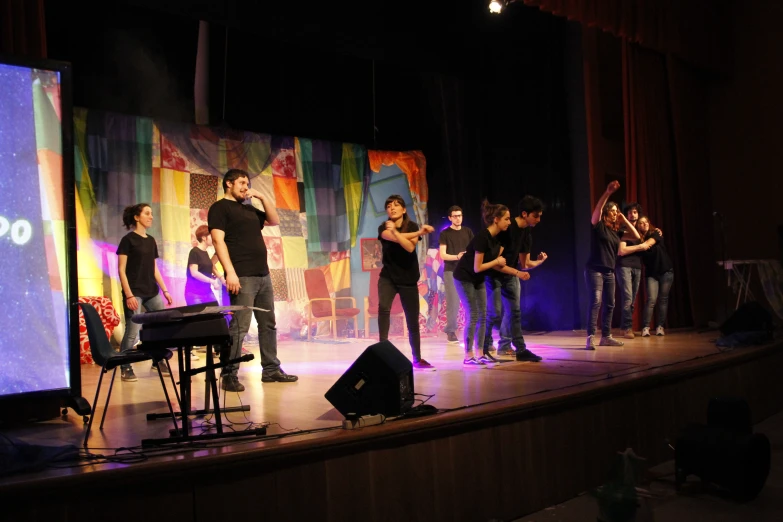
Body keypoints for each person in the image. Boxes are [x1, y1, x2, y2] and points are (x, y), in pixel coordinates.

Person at [209, 169, 298, 392]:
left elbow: (274, 219)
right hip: (242, 276)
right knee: (239, 327)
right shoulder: (220, 208)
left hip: (263, 275)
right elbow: (218, 241)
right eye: (241, 182)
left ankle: (271, 370)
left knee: (268, 324)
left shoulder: (249, 208)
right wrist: (230, 272)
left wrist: (262, 197)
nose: (245, 187)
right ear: (228, 183)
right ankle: (229, 374)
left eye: (247, 183)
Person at [484, 196, 547, 362]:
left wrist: (539, 262)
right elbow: (495, 262)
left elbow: (524, 263)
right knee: (494, 312)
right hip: (494, 274)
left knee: (515, 312)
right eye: (536, 216)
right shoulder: (507, 228)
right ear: (525, 214)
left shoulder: (527, 233)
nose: (538, 220)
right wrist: (518, 273)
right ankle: (483, 345)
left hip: (511, 275)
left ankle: (517, 349)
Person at [584, 181, 645, 350]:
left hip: (609, 272)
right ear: (605, 214)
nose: (615, 214)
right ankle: (590, 336)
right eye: (612, 211)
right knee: (596, 301)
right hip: (594, 269)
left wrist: (623, 217)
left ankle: (606, 336)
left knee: (610, 303)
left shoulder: (616, 232)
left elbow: (636, 236)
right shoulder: (598, 227)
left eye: (616, 211)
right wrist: (608, 192)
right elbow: (597, 210)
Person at [377, 194, 435, 370]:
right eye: (388, 206)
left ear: (403, 209)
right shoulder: (383, 227)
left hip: (408, 279)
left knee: (412, 319)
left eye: (396, 205)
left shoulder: (412, 225)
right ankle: (382, 353)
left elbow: (410, 247)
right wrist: (417, 234)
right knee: (384, 308)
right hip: (388, 277)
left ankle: (417, 359)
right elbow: (392, 237)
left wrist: (403, 232)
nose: (392, 208)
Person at [116, 203, 173, 382]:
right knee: (132, 331)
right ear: (137, 217)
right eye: (147, 213)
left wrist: (165, 290)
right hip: (135, 292)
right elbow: (121, 270)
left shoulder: (151, 240)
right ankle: (125, 366)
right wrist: (129, 295)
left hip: (152, 291)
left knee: (161, 327)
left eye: (152, 214)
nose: (151, 217)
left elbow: (154, 268)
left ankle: (157, 360)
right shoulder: (128, 240)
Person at [453, 200, 511, 366]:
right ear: (496, 220)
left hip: (478, 279)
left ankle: (480, 353)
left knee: (483, 316)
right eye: (506, 219)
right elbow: (477, 267)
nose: (509, 222)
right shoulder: (482, 237)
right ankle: (468, 355)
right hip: (464, 277)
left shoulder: (496, 238)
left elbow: (493, 262)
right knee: (473, 315)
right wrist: (497, 261)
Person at [438, 206, 474, 344]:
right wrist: (457, 256)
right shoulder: (445, 234)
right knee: (453, 301)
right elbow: (443, 254)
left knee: (470, 301)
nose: (458, 218)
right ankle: (451, 331)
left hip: (467, 271)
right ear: (450, 218)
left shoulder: (468, 231)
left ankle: (471, 329)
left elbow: (473, 249)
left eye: (460, 215)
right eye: (455, 216)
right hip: (451, 270)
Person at [636, 216, 674, 337]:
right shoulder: (637, 240)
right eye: (641, 223)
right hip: (651, 273)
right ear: (637, 226)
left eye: (645, 222)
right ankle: (646, 327)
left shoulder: (656, 233)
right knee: (651, 300)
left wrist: (642, 245)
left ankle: (660, 327)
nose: (644, 224)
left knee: (663, 299)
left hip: (666, 271)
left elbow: (647, 244)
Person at [616, 203, 645, 339]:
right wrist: (640, 247)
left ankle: (624, 327)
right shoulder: (623, 229)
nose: (632, 215)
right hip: (624, 266)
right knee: (628, 298)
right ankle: (628, 328)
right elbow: (622, 251)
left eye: (635, 212)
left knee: (632, 300)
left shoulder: (641, 230)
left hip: (637, 267)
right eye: (630, 213)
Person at [185, 224, 224, 306]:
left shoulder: (205, 253)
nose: (213, 238)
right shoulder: (194, 252)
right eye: (211, 235)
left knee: (216, 312)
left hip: (207, 291)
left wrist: (211, 276)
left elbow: (203, 271)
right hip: (195, 294)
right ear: (203, 237)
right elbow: (194, 273)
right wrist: (212, 281)